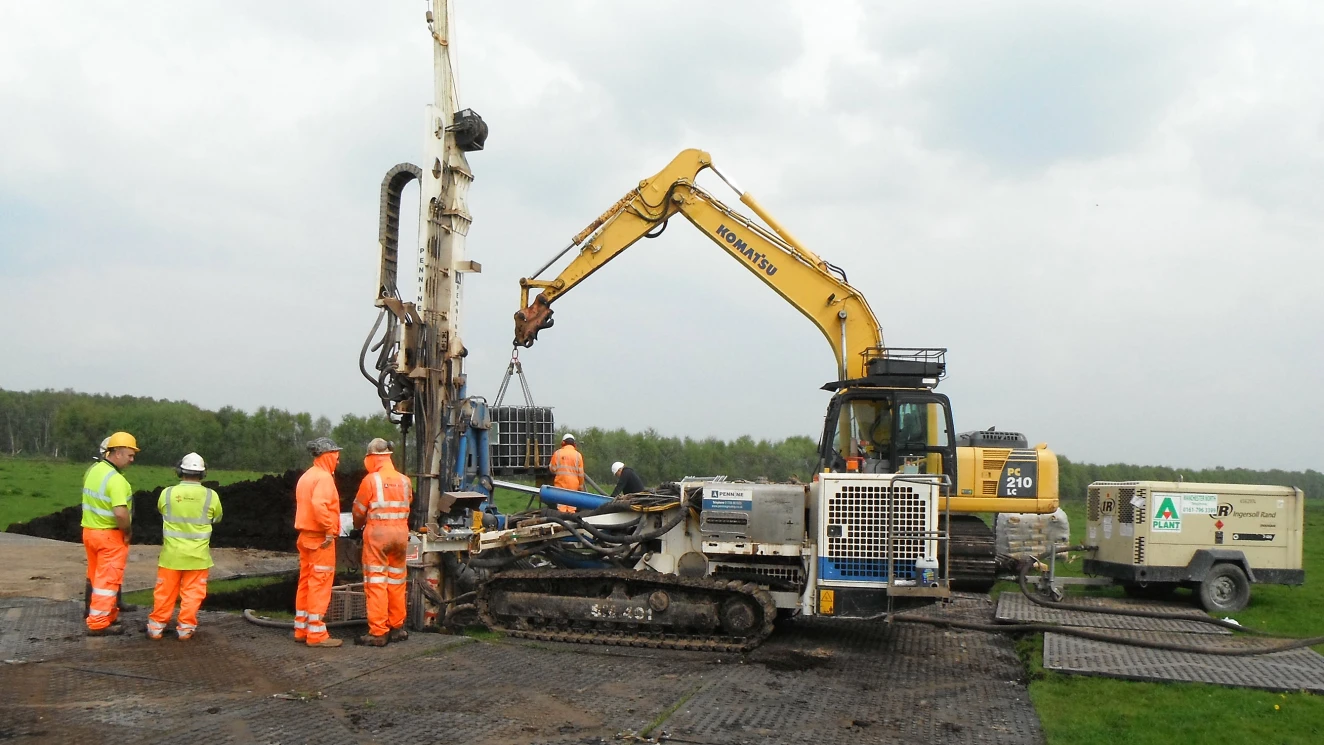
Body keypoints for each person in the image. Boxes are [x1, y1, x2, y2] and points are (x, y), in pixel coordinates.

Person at [146, 453, 222, 641]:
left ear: (180, 471)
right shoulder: (211, 496)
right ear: (203, 473)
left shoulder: (167, 493)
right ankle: (185, 629)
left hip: (171, 556)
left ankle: (156, 627)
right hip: (198, 557)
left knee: (164, 593)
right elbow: (217, 518)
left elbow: (161, 511)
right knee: (192, 595)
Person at [351, 438, 412, 647]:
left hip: (378, 537)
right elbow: (408, 503)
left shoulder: (371, 480)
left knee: (377, 582)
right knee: (397, 581)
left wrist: (358, 525)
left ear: (372, 458)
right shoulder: (405, 480)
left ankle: (378, 632)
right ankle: (396, 626)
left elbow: (359, 511)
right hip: (401, 536)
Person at [81, 431, 138, 636]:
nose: (132, 460)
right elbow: (121, 513)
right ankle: (97, 623)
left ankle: (108, 615)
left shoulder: (93, 471)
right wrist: (128, 532)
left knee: (97, 578)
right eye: (130, 455)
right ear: (116, 453)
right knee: (108, 581)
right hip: (110, 536)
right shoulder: (117, 481)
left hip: (90, 532)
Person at [294, 437, 343, 648]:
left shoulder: (307, 476)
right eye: (336, 456)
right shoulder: (324, 478)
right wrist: (330, 530)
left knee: (305, 581)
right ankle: (316, 634)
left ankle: (301, 628)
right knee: (320, 583)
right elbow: (319, 504)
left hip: (305, 536)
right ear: (327, 456)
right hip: (321, 539)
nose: (338, 461)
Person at [548, 433, 585, 513]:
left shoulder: (557, 453)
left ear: (563, 442)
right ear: (574, 444)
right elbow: (581, 473)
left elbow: (552, 469)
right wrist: (580, 486)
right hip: (573, 485)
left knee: (561, 507)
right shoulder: (578, 455)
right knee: (572, 507)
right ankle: (571, 522)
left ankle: (562, 521)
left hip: (560, 484)